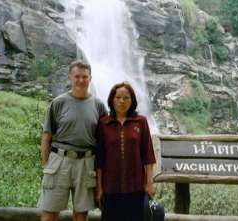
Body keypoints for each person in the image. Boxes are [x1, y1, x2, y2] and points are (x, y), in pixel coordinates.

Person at [38, 60, 106, 221]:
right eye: (77, 76)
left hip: (86, 162)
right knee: (49, 212)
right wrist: (47, 164)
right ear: (70, 77)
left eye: (85, 77)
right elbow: (47, 136)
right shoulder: (58, 103)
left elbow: (103, 140)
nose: (81, 80)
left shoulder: (99, 105)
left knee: (81, 215)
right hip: (59, 161)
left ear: (90, 78)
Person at [95, 82, 156, 221]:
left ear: (132, 100)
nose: (122, 101)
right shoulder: (104, 123)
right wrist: (99, 188)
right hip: (110, 188)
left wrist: (149, 183)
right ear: (112, 100)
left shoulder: (141, 122)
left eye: (126, 97)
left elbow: (148, 155)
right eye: (118, 97)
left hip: (136, 188)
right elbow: (99, 159)